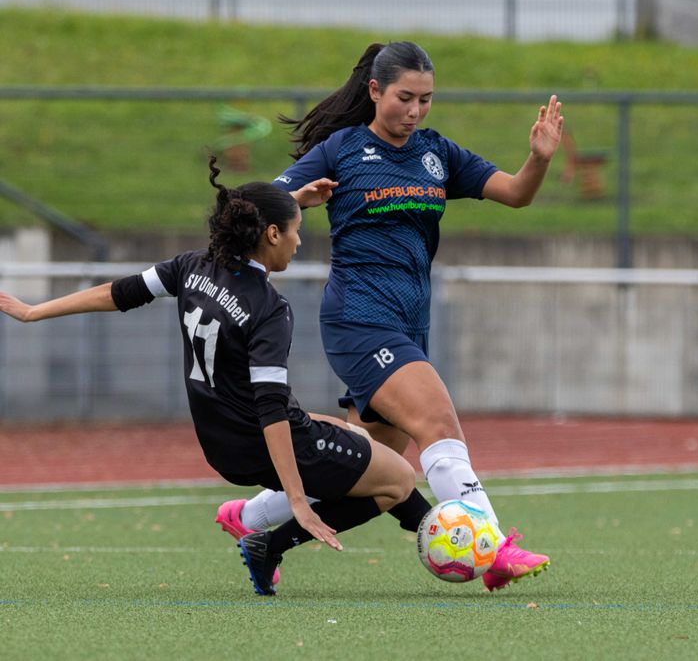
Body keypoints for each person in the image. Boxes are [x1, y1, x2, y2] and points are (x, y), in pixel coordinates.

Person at [0, 157, 432, 596]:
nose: (299, 242)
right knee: (398, 478)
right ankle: (274, 544)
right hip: (258, 441)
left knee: (346, 434)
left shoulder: (194, 267)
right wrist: (298, 501)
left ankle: (258, 522)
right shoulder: (269, 308)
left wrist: (35, 311)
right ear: (271, 234)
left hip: (218, 443)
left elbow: (120, 292)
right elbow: (269, 406)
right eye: (296, 230)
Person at [220, 41, 562, 592]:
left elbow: (516, 194)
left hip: (408, 322)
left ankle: (254, 522)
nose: (416, 110)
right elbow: (255, 207)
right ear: (376, 91)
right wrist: (301, 199)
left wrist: (540, 158)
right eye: (405, 97)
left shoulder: (438, 154)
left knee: (371, 474)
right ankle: (493, 548)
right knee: (439, 425)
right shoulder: (342, 149)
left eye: (426, 100)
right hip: (358, 317)